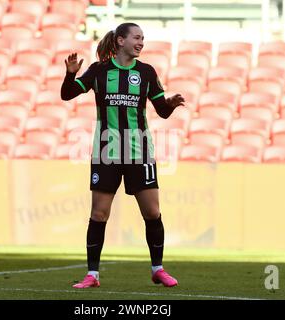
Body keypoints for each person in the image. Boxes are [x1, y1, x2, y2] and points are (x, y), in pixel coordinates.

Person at [61, 22, 185, 289]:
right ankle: (92, 275)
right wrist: (70, 75)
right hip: (107, 151)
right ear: (120, 41)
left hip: (140, 151)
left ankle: (158, 269)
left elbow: (161, 110)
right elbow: (67, 94)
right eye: (136, 38)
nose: (141, 42)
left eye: (143, 38)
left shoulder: (147, 72)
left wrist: (171, 105)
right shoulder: (98, 71)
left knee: (152, 213)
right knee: (99, 214)